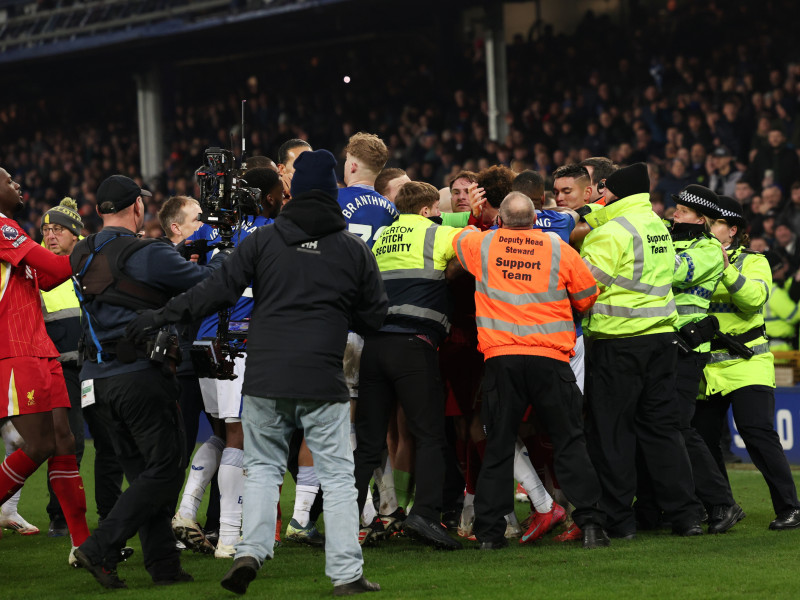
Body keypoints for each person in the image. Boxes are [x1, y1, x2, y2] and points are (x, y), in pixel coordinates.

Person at [127, 149, 387, 596]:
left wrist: (159, 316)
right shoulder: (352, 249)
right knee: (339, 475)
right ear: (331, 192)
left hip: (265, 375)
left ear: (294, 192)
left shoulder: (263, 242)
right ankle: (346, 575)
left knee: (262, 468)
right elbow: (375, 317)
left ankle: (250, 551)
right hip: (323, 378)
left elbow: (214, 290)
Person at [70, 174, 228, 589]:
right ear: (137, 208)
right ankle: (98, 546)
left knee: (145, 476)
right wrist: (221, 257)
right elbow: (208, 286)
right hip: (138, 376)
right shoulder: (149, 253)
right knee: (165, 468)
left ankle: (164, 568)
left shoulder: (82, 252)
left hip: (95, 382)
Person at [452, 191, 609, 550]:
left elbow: (458, 240)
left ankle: (490, 536)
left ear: (502, 220)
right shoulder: (558, 249)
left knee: (499, 446)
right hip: (551, 359)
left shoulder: (484, 245)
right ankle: (591, 527)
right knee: (570, 441)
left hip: (502, 360)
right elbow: (587, 295)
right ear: (535, 220)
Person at [580, 163, 703, 538]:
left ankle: (620, 521)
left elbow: (583, 286)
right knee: (663, 432)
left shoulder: (611, 233)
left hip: (618, 342)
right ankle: (685, 516)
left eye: (604, 191)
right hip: (661, 341)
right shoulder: (658, 227)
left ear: (614, 194)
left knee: (613, 434)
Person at [173, 169, 286, 558]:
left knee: (220, 433)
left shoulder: (208, 232)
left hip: (206, 341)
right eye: (278, 192)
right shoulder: (270, 229)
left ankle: (187, 510)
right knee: (240, 437)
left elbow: (179, 255)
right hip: (239, 342)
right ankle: (229, 537)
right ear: (264, 196)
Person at [354, 181, 462, 551]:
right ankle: (426, 517)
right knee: (430, 435)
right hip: (414, 347)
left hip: (374, 346)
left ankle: (348, 520)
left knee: (368, 442)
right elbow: (467, 256)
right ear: (430, 208)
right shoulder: (439, 233)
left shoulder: (380, 239)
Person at [635, 185, 744, 534]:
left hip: (686, 350)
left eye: (683, 211)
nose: (674, 214)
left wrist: (652, 249)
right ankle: (658, 507)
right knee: (656, 427)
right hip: (660, 344)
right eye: (675, 208)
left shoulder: (709, 249)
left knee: (678, 427)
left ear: (703, 220)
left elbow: (674, 272)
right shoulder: (668, 237)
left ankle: (721, 503)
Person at [693, 195, 800, 530]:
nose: (707, 228)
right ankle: (722, 506)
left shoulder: (755, 262)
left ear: (732, 230)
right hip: (707, 368)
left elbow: (754, 298)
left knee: (757, 432)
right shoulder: (694, 259)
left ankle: (791, 508)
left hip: (747, 363)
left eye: (715, 223)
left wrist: (723, 268)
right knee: (702, 439)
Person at [0, 167, 91, 558]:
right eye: (7, 180)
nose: (16, 184)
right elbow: (55, 269)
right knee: (37, 444)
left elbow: (48, 279)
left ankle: (83, 545)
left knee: (64, 440)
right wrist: (100, 245)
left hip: (40, 347)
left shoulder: (13, 230)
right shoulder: (3, 229)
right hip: (16, 346)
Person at [39, 198, 126, 545]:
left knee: (110, 442)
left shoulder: (94, 269)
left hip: (97, 366)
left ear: (77, 235)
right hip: (62, 371)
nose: (49, 235)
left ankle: (109, 512)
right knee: (69, 444)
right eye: (45, 229)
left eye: (57, 229)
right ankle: (59, 517)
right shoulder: (39, 273)